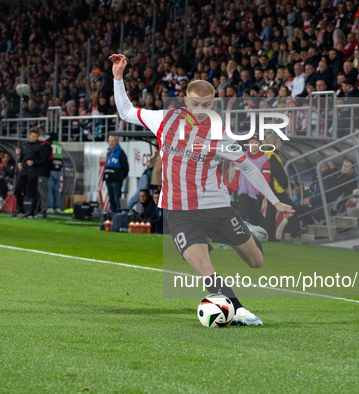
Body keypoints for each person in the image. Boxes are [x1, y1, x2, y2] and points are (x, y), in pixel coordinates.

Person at [110, 53, 294, 326]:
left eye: (206, 104)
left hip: (217, 206)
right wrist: (117, 77)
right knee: (202, 264)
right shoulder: (165, 119)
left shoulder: (221, 132)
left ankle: (246, 230)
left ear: (213, 103)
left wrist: (275, 201)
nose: (199, 108)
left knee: (256, 261)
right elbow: (125, 112)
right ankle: (238, 309)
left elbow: (248, 167)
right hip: (179, 209)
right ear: (185, 100)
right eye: (195, 103)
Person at [262, 134, 303, 240]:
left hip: (269, 187)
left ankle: (269, 236)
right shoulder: (273, 156)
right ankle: (295, 231)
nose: (280, 145)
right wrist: (285, 186)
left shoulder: (266, 154)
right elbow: (279, 174)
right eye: (279, 143)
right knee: (290, 208)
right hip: (276, 188)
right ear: (274, 144)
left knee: (271, 212)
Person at [237, 136, 269, 227]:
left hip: (257, 192)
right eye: (251, 142)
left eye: (256, 142)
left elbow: (266, 178)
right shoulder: (242, 156)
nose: (253, 144)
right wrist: (235, 189)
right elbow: (236, 174)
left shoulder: (264, 159)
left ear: (260, 144)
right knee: (241, 214)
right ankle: (240, 237)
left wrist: (262, 194)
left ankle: (253, 238)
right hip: (243, 191)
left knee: (254, 217)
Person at [14, 129, 40, 218]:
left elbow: (43, 160)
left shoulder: (39, 146)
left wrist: (34, 162)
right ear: (29, 135)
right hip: (24, 170)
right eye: (33, 136)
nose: (35, 138)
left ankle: (32, 212)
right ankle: (20, 210)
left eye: (36, 136)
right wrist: (19, 162)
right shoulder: (23, 145)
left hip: (33, 171)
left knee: (32, 192)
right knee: (17, 190)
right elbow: (21, 157)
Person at [104, 135, 129, 212]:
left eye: (113, 141)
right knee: (111, 200)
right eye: (110, 141)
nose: (111, 143)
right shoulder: (108, 152)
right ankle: (113, 216)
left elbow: (126, 167)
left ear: (117, 141)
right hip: (109, 180)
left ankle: (119, 217)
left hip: (116, 181)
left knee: (117, 200)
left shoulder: (120, 152)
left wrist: (120, 177)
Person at [34, 128, 53, 218]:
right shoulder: (43, 145)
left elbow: (44, 160)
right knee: (38, 191)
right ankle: (38, 208)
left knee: (42, 191)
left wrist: (34, 161)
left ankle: (44, 209)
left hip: (43, 172)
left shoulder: (46, 146)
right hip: (39, 171)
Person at [47, 132, 63, 214]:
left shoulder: (49, 145)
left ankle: (50, 207)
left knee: (49, 189)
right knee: (56, 189)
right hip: (58, 169)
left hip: (51, 169)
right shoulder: (60, 146)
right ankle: (58, 207)